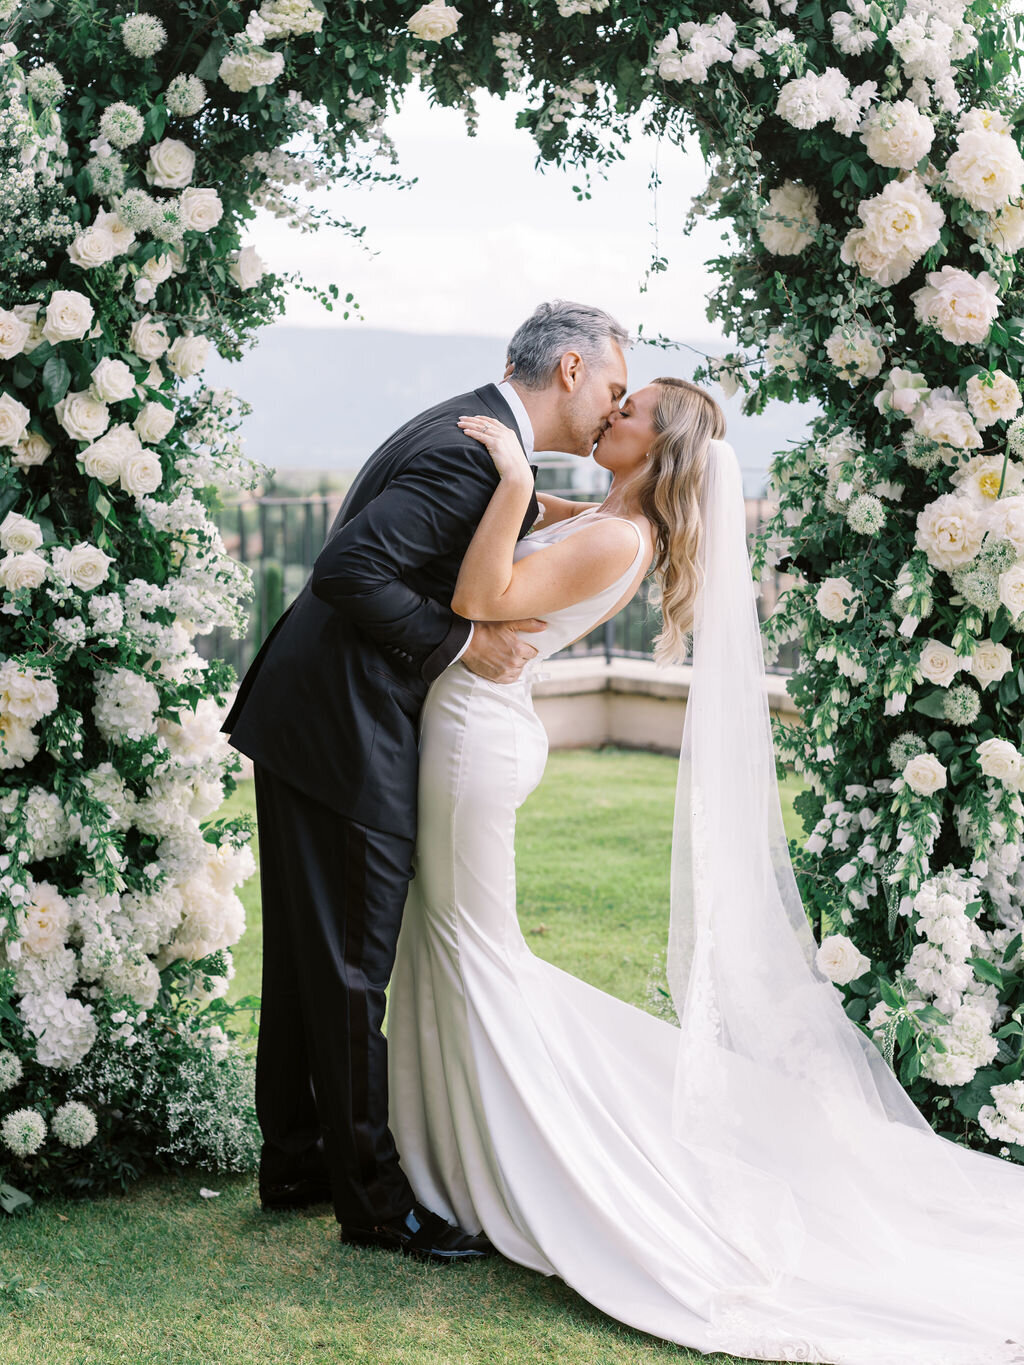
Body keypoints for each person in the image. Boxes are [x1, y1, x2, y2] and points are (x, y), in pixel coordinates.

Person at [387, 378, 1024, 1362]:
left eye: (628, 411)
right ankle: (447, 1168)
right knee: (453, 946)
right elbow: (550, 538)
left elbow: (477, 601)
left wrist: (515, 476)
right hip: (466, 731)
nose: (609, 414)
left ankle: (528, 1171)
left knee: (476, 954)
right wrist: (541, 496)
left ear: (658, 448)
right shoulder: (602, 517)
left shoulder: (615, 538)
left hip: (474, 742)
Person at [221, 300, 628, 1261]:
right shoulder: (472, 449)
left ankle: (297, 1158)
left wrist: (564, 506)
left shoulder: (471, 430)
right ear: (569, 370)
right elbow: (349, 566)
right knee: (358, 962)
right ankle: (376, 1202)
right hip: (343, 727)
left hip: (307, 716)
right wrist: (463, 641)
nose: (613, 410)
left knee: (310, 960)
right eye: (612, 387)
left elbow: (438, 531)